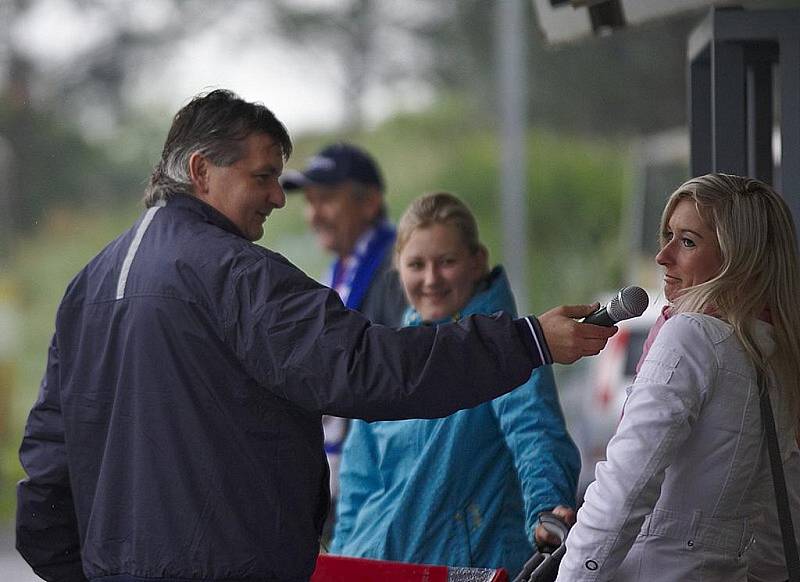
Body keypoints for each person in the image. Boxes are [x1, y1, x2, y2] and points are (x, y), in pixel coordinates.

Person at [15, 89, 616, 582]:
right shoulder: (234, 274)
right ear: (201, 170)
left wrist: (79, 570)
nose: (279, 197)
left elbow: (48, 465)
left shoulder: (87, 285)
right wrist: (528, 341)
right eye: (263, 176)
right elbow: (367, 367)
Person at [556, 174, 800, 582]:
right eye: (667, 236)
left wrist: (574, 575)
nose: (662, 256)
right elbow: (781, 512)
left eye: (687, 241)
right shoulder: (775, 349)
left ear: (740, 258)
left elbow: (626, 484)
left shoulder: (690, 335)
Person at [330, 192, 580, 577]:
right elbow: (357, 487)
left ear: (477, 261)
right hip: (377, 567)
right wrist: (342, 564)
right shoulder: (393, 354)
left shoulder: (507, 348)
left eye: (446, 262)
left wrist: (547, 507)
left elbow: (534, 432)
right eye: (417, 264)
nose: (431, 279)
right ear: (398, 266)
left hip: (465, 568)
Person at [280, 143, 406, 515]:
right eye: (310, 201)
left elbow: (400, 367)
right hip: (349, 473)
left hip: (384, 476)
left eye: (327, 200)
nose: (314, 215)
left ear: (369, 203)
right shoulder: (341, 269)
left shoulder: (402, 267)